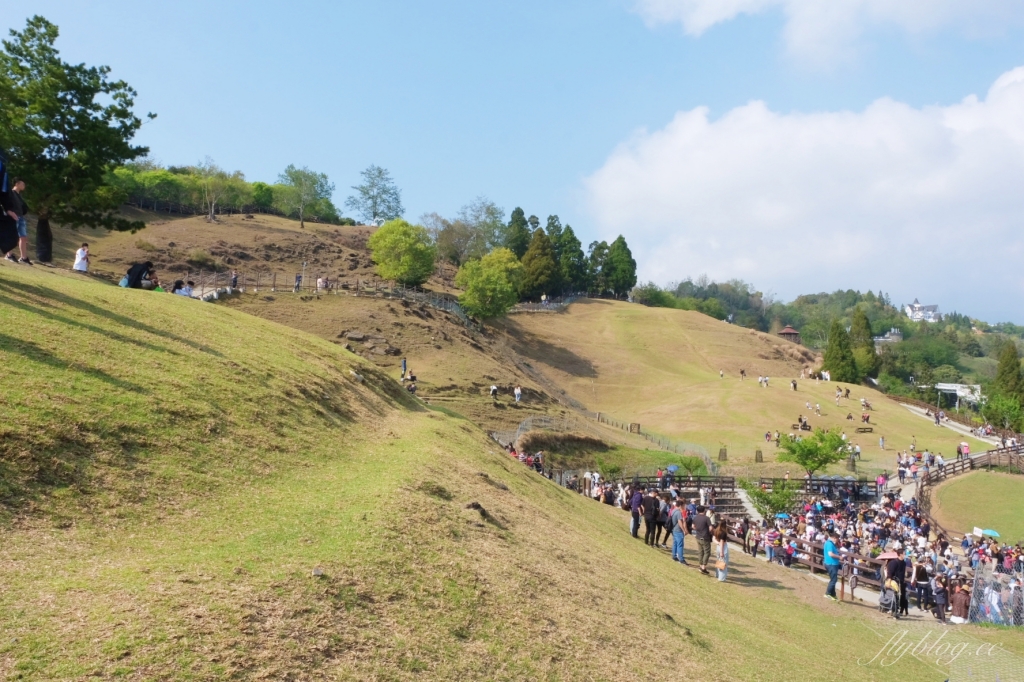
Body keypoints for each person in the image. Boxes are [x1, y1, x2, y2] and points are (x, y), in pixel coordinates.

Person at [3, 178, 31, 264]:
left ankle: (23, 258)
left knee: (23, 237)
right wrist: (10, 213)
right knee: (11, 236)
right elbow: (6, 204)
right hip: (13, 216)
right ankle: (9, 255)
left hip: (20, 217)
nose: (24, 186)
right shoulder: (11, 193)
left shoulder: (18, 195)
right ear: (17, 184)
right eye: (22, 184)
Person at [692, 505, 713, 575]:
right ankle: (703, 567)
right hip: (705, 537)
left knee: (700, 552)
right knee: (707, 552)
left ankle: (700, 565)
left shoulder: (695, 517)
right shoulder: (706, 518)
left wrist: (698, 529)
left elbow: (693, 526)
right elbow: (710, 528)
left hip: (698, 536)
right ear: (704, 510)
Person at [823, 531, 842, 600]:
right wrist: (839, 557)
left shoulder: (831, 544)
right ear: (834, 538)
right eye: (837, 539)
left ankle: (833, 594)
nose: (837, 540)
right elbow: (830, 554)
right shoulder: (829, 544)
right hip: (831, 563)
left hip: (833, 563)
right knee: (834, 580)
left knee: (833, 579)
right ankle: (827, 593)